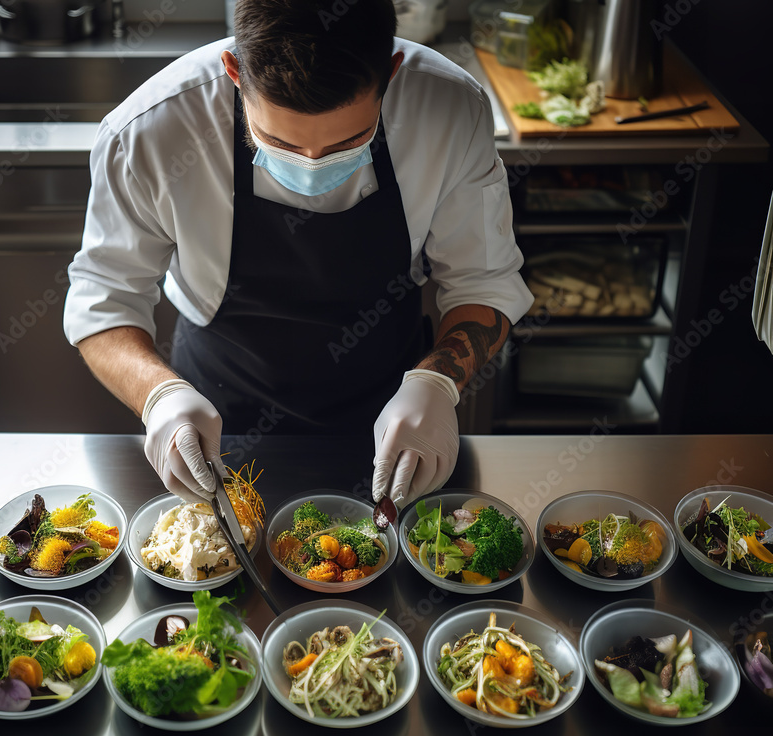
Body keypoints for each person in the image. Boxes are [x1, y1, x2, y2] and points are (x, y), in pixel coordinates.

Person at [63, 0, 532, 509]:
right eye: (279, 142)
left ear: (391, 72)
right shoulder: (150, 131)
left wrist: (439, 383)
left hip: (395, 412)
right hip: (217, 413)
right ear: (235, 70)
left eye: (349, 143)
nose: (312, 168)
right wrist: (158, 397)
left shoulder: (450, 109)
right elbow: (104, 302)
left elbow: (484, 282)